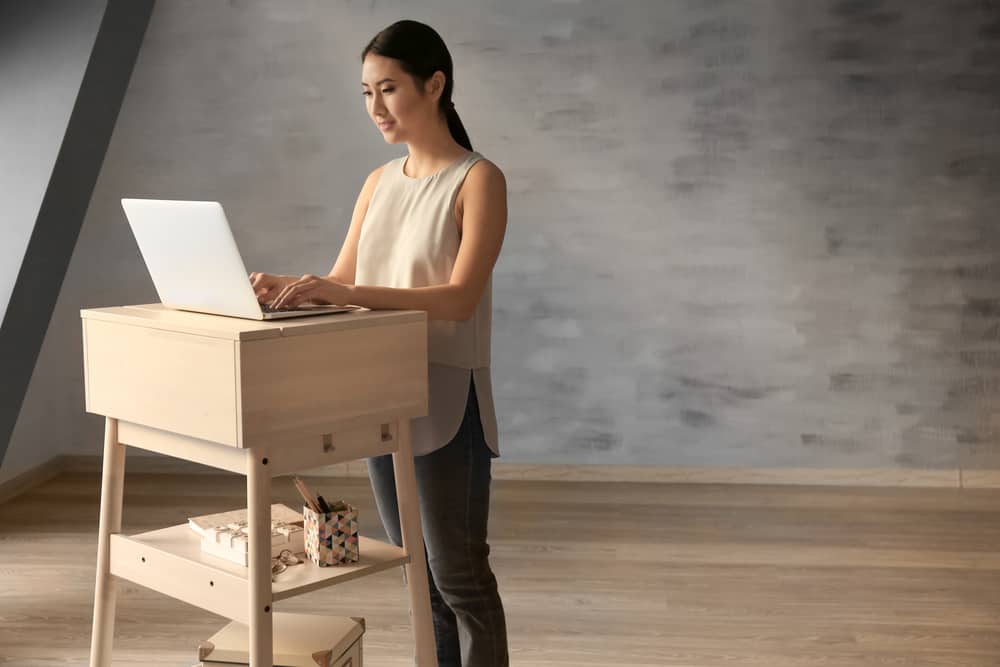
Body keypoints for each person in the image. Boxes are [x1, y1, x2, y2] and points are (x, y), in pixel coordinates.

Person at [249, 19, 510, 667]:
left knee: (459, 575)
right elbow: (344, 280)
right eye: (366, 93)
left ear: (435, 84)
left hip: (449, 395)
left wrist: (347, 292)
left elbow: (458, 297)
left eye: (388, 89)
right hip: (381, 393)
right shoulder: (377, 182)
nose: (375, 108)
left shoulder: (479, 180)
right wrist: (292, 286)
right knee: (415, 574)